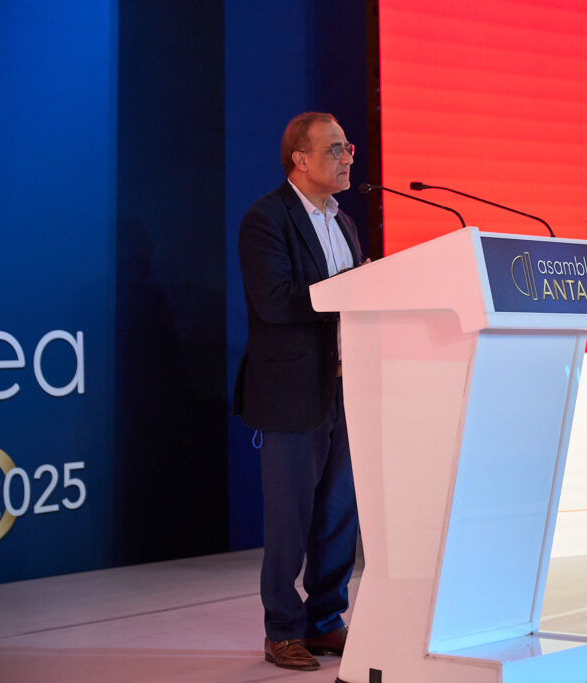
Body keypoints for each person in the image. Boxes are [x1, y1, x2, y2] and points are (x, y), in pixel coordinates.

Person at [233, 112, 365, 672]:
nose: (347, 156)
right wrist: (353, 290)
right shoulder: (266, 218)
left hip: (347, 386)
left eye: (348, 147)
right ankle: (282, 629)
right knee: (290, 519)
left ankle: (325, 619)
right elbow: (275, 300)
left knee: (338, 514)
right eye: (335, 148)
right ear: (300, 160)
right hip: (291, 391)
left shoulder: (343, 221)